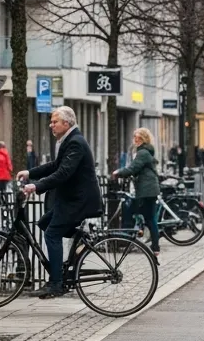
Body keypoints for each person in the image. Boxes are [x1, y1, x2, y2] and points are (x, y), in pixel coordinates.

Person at [17, 106, 103, 298]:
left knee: (52, 234)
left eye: (55, 121)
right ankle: (80, 243)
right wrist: (31, 173)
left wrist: (36, 186)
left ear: (67, 123)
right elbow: (55, 166)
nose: (51, 125)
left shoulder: (75, 143)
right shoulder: (69, 141)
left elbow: (63, 173)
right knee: (45, 223)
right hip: (71, 200)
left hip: (78, 200)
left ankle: (56, 283)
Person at [113, 127, 161, 257]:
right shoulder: (146, 151)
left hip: (147, 190)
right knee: (150, 218)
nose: (135, 140)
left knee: (134, 212)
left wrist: (118, 172)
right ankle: (153, 245)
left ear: (143, 139)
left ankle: (128, 238)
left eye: (138, 137)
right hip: (149, 190)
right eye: (134, 137)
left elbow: (133, 167)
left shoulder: (143, 152)